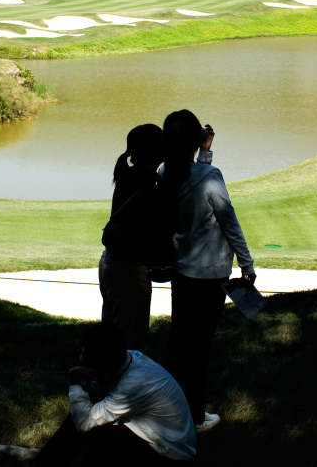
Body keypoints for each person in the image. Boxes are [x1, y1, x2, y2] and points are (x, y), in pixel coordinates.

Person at [160, 110, 255, 432]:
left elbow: (190, 177)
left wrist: (205, 151)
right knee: (199, 349)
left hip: (181, 271)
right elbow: (229, 222)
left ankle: (168, 410)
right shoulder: (211, 176)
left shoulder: (164, 172)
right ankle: (195, 418)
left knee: (179, 344)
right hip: (211, 274)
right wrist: (247, 264)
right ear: (196, 138)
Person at [36, 323, 196, 466]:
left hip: (169, 456)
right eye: (83, 354)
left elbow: (84, 423)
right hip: (160, 441)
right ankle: (47, 462)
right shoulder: (128, 358)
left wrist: (75, 380)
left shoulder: (133, 384)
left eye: (88, 364)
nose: (82, 362)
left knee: (100, 426)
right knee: (89, 413)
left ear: (105, 368)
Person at [100, 125, 166, 353]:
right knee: (130, 343)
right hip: (129, 268)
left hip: (112, 261)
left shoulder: (129, 175)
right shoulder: (147, 184)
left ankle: (101, 382)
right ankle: (123, 387)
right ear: (157, 151)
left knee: (111, 336)